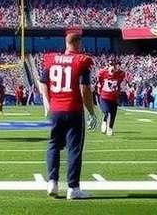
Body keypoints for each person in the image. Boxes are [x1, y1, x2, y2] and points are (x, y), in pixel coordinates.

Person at [39, 33, 98, 200]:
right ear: (78, 42)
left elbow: (43, 81)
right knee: (74, 150)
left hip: (56, 110)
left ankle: (52, 182)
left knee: (53, 145)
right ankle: (73, 188)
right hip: (73, 110)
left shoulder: (51, 59)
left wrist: (47, 100)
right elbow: (84, 89)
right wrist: (91, 112)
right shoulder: (81, 60)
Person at [96, 59, 124, 136]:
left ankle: (110, 128)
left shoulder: (120, 74)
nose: (112, 67)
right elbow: (99, 80)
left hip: (114, 98)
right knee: (106, 112)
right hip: (104, 97)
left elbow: (121, 78)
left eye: (113, 66)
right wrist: (99, 88)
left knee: (113, 114)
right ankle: (104, 121)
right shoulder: (103, 73)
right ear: (107, 67)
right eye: (110, 65)